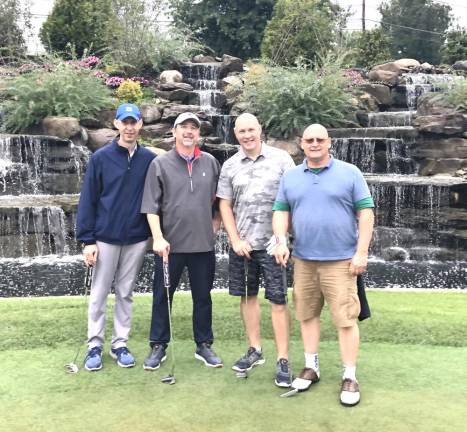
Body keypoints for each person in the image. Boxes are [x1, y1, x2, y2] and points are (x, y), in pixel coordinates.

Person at [272, 123, 374, 406]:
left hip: (341, 261)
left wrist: (361, 252)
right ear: (301, 144)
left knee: (345, 319)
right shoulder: (291, 176)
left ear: (329, 142)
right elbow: (281, 211)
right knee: (306, 314)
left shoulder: (349, 173)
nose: (314, 143)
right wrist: (280, 240)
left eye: (320, 139)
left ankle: (350, 375)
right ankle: (311, 367)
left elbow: (365, 214)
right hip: (303, 259)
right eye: (309, 140)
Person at [217, 113, 296, 387]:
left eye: (251, 130)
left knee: (278, 301)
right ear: (235, 133)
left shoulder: (282, 159)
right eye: (242, 131)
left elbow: (291, 200)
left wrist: (283, 238)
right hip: (244, 246)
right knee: (248, 298)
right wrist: (235, 239)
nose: (247, 135)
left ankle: (283, 359)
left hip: (275, 246)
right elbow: (225, 205)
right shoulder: (229, 165)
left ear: (260, 129)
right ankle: (255, 350)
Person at [76, 103, 156, 371]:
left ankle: (120, 344)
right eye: (126, 122)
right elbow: (88, 200)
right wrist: (87, 240)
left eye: (134, 122)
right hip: (105, 238)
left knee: (125, 293)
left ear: (140, 125)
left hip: (136, 238)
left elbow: (156, 200)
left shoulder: (148, 160)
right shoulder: (100, 158)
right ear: (117, 124)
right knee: (99, 293)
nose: (130, 127)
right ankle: (94, 346)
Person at [141, 112, 223, 370]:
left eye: (193, 128)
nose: (189, 132)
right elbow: (151, 207)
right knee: (162, 296)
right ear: (174, 132)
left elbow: (220, 201)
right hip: (169, 247)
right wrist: (157, 238)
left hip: (203, 246)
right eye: (184, 127)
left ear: (199, 134)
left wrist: (216, 226)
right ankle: (158, 345)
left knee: (203, 297)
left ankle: (204, 345)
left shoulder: (210, 162)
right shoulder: (160, 164)